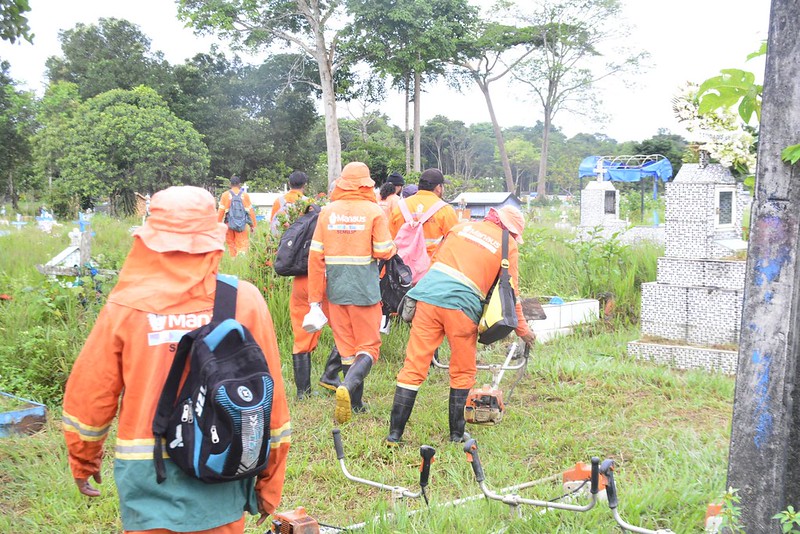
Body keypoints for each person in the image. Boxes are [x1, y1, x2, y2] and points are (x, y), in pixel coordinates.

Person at [62, 186, 290, 533]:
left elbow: (91, 395)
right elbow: (269, 402)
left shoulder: (126, 306)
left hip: (148, 475)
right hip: (221, 466)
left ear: (149, 239)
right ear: (214, 236)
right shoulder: (244, 299)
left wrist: (83, 459)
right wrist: (269, 484)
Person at [386, 205, 536, 445]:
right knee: (463, 371)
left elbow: (434, 264)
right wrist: (524, 331)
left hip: (427, 299)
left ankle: (394, 435)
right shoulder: (508, 246)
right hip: (461, 308)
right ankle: (457, 435)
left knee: (413, 366)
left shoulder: (460, 228)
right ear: (510, 230)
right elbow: (511, 294)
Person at [306, 161, 397, 424]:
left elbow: (315, 257)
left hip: (336, 290)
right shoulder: (373, 211)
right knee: (369, 347)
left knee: (346, 349)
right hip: (365, 291)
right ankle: (347, 386)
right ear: (367, 184)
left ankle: (355, 406)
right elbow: (382, 249)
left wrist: (314, 300)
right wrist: (391, 248)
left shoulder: (327, 212)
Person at [270, 171, 341, 399]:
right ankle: (331, 375)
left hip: (301, 281)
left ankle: (303, 393)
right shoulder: (332, 217)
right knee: (345, 330)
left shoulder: (303, 213)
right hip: (326, 281)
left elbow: (275, 231)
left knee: (302, 335)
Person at [389, 168, 458, 261]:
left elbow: (389, 240)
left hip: (402, 268)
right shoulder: (446, 210)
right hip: (431, 269)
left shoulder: (400, 207)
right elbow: (453, 244)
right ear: (438, 187)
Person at [218, 175, 257, 257]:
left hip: (229, 224)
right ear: (240, 184)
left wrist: (217, 226)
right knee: (242, 246)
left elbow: (221, 212)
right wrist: (253, 226)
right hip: (241, 225)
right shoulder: (245, 196)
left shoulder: (225, 195)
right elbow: (251, 212)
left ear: (230, 184)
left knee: (231, 246)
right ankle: (240, 264)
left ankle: (233, 264)